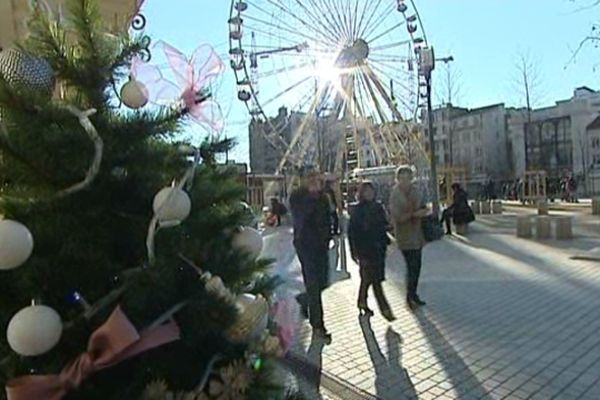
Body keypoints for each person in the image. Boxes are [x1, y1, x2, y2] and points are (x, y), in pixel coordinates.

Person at [289, 170, 333, 342]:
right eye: (310, 178)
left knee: (323, 282)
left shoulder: (323, 197)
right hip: (305, 245)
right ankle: (318, 325)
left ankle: (303, 300)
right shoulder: (297, 197)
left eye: (316, 177)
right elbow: (301, 217)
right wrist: (312, 195)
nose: (314, 181)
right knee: (314, 284)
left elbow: (329, 215)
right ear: (302, 181)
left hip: (321, 245)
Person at [348, 182, 395, 321]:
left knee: (367, 279)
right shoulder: (357, 210)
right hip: (365, 250)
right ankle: (385, 309)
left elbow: (383, 225)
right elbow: (352, 232)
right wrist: (354, 252)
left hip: (379, 249)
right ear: (361, 194)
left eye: (371, 191)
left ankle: (361, 301)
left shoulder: (378, 207)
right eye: (366, 192)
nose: (370, 194)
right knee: (375, 281)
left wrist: (389, 232)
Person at [389, 165, 428, 310]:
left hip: (417, 234)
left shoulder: (416, 191)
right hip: (404, 235)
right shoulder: (395, 194)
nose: (405, 181)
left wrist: (423, 212)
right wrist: (412, 214)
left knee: (416, 267)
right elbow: (396, 216)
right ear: (397, 179)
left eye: (408, 178)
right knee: (411, 266)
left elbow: (424, 207)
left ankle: (413, 294)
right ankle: (410, 297)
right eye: (402, 178)